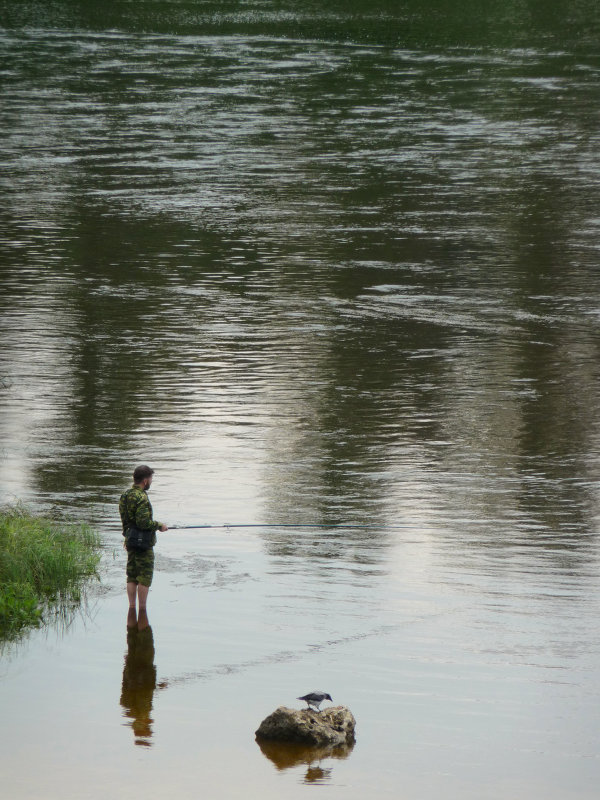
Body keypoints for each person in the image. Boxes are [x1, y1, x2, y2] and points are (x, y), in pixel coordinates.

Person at [119, 465, 168, 611]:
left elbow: (124, 519)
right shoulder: (142, 498)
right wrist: (160, 526)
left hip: (131, 541)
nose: (151, 481)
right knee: (144, 577)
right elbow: (143, 522)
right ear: (145, 480)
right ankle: (142, 609)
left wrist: (127, 537)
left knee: (132, 576)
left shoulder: (125, 495)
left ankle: (132, 608)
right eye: (151, 479)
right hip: (143, 544)